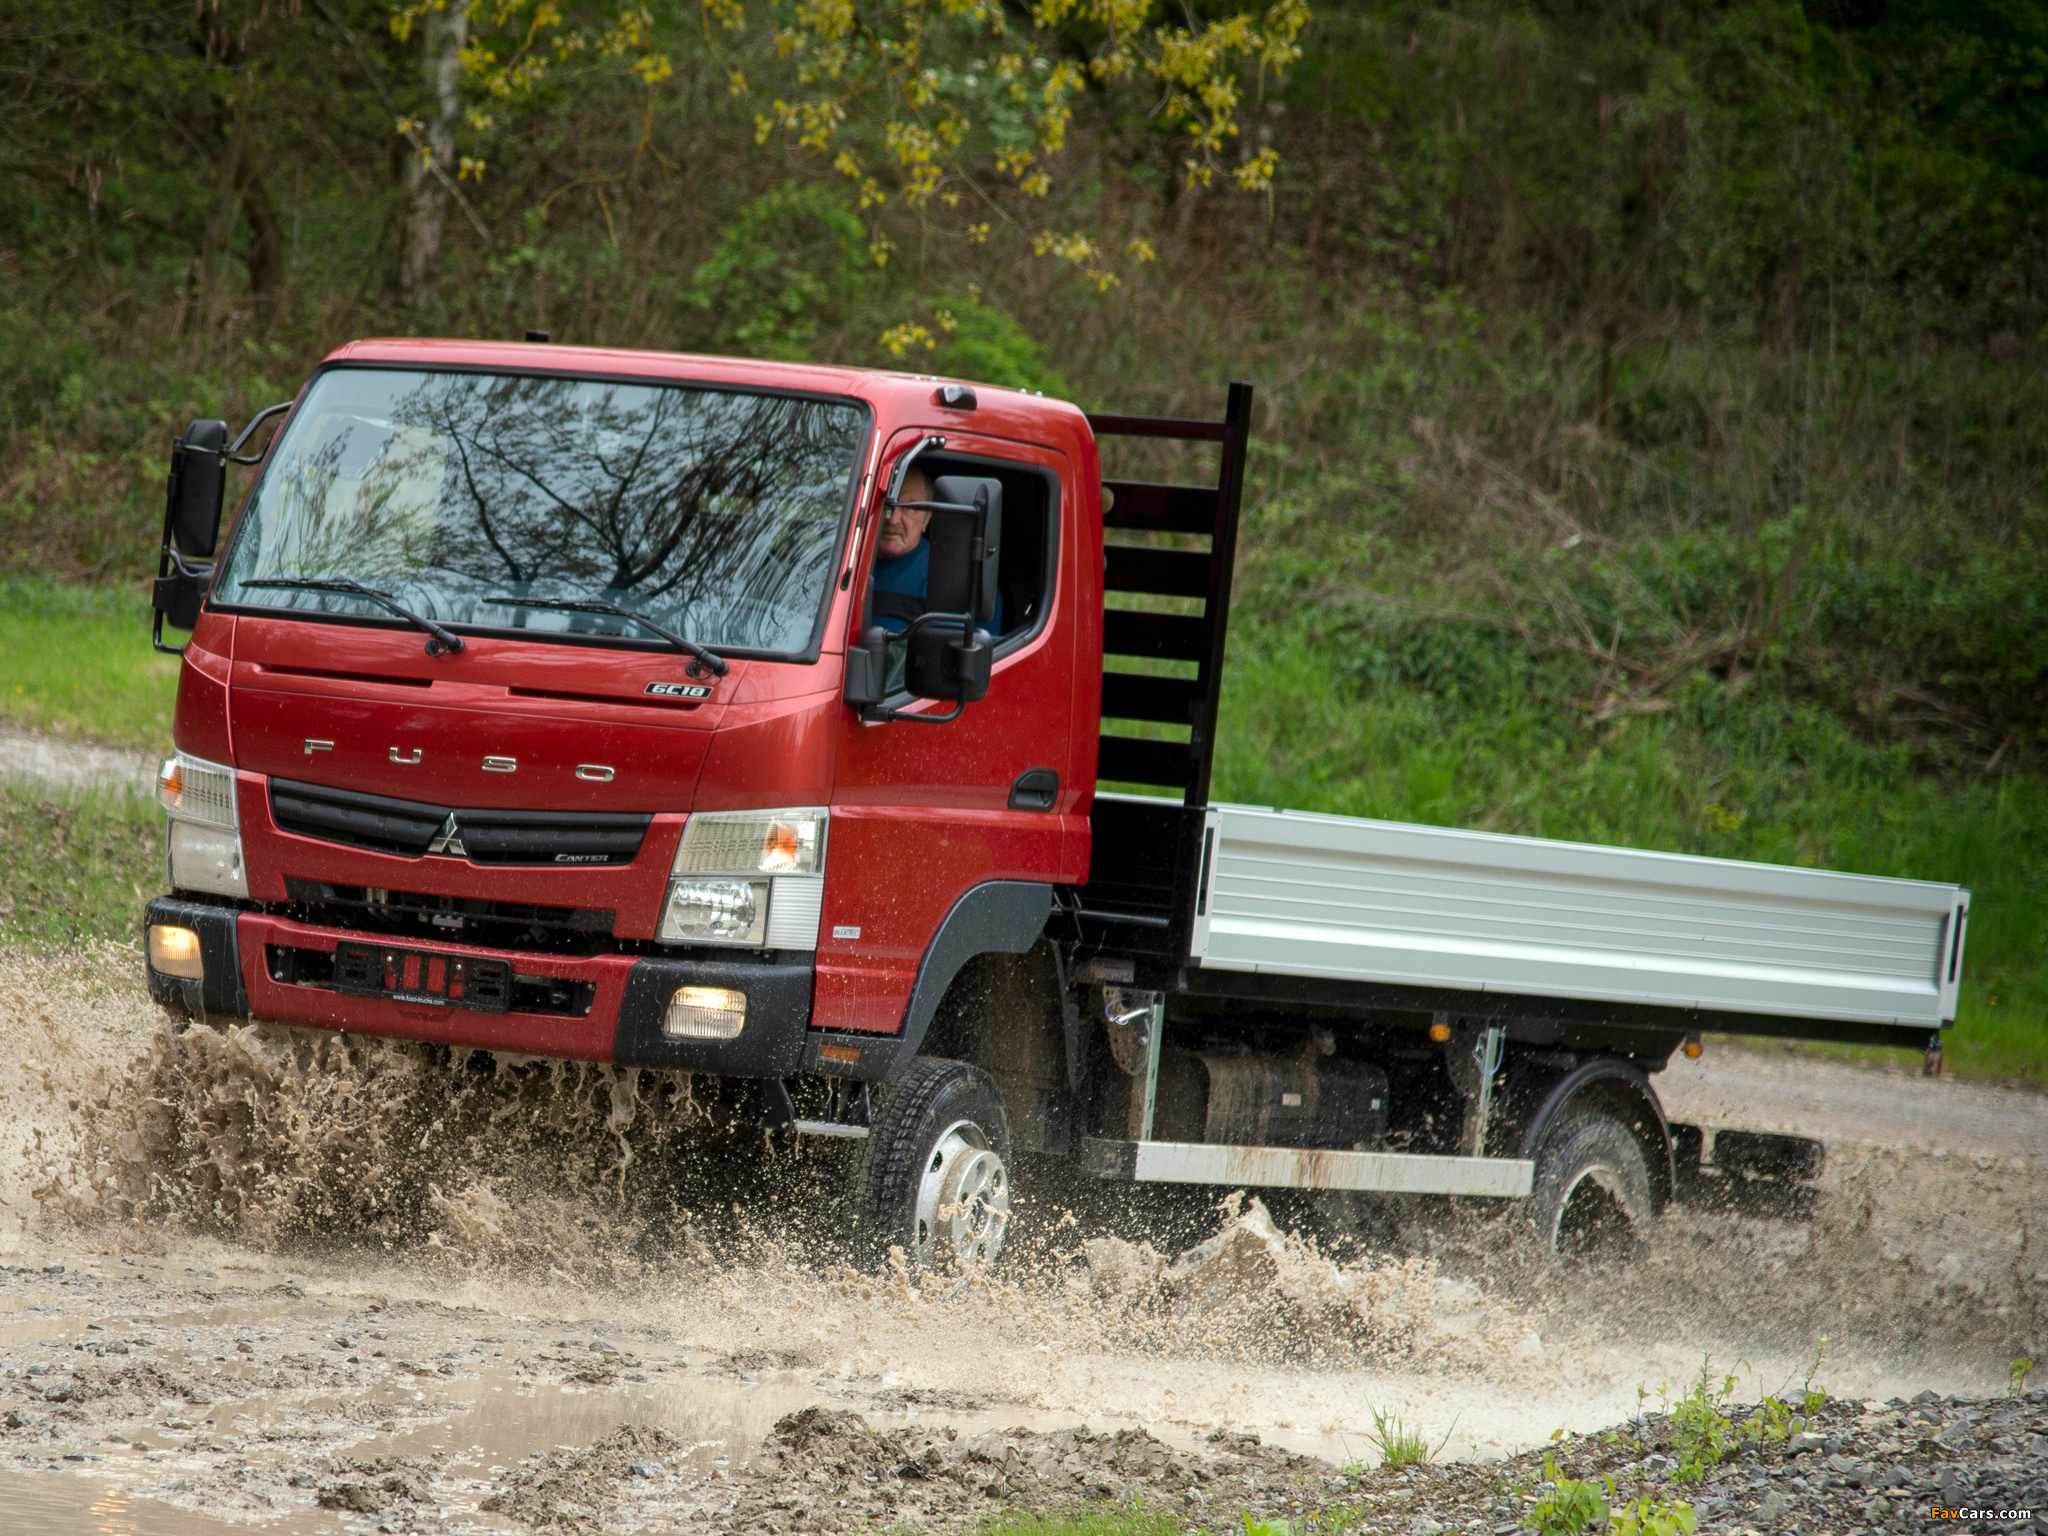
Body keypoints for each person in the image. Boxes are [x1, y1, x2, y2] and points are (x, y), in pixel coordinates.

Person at [867, 465, 1002, 636]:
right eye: (887, 505)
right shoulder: (842, 562)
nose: (893, 520)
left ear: (927, 518)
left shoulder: (952, 579)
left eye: (909, 507)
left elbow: (947, 655)